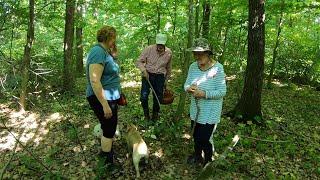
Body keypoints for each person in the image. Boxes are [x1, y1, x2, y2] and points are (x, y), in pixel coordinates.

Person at [184, 37, 227, 166]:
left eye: (200, 54)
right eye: (195, 54)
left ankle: (208, 161)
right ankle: (197, 156)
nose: (197, 57)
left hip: (210, 112)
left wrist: (204, 94)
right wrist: (189, 88)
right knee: (196, 137)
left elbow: (222, 91)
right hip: (195, 110)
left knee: (205, 139)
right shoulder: (193, 67)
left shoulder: (218, 69)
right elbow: (186, 84)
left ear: (208, 54)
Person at [86, 25, 121, 167]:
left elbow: (109, 71)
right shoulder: (97, 52)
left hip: (110, 96)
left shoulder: (104, 52)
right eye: (114, 38)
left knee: (109, 126)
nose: (115, 41)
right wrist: (105, 104)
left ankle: (106, 152)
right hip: (103, 98)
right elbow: (94, 80)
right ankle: (107, 161)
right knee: (109, 128)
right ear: (109, 38)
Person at [135, 33, 172, 121]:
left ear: (164, 44)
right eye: (158, 44)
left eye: (161, 45)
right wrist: (144, 70)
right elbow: (139, 61)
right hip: (148, 74)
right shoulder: (149, 49)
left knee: (158, 97)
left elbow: (169, 67)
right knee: (143, 97)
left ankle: (155, 116)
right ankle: (146, 115)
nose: (160, 47)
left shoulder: (169, 53)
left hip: (160, 77)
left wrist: (166, 80)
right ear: (156, 42)